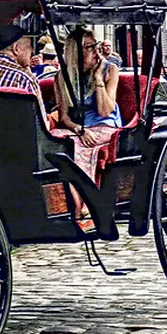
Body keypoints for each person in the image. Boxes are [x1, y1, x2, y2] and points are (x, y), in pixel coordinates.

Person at [55, 30, 122, 233]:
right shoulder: (63, 77)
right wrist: (79, 129)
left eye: (96, 45)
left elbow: (105, 111)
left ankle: (84, 206)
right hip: (80, 128)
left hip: (107, 126)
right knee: (58, 141)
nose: (96, 50)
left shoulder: (110, 70)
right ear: (75, 52)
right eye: (89, 47)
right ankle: (70, 203)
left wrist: (98, 77)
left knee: (80, 146)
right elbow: (64, 117)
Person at [0, 25, 47, 118]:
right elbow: (41, 120)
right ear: (16, 49)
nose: (32, 51)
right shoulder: (25, 78)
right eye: (29, 46)